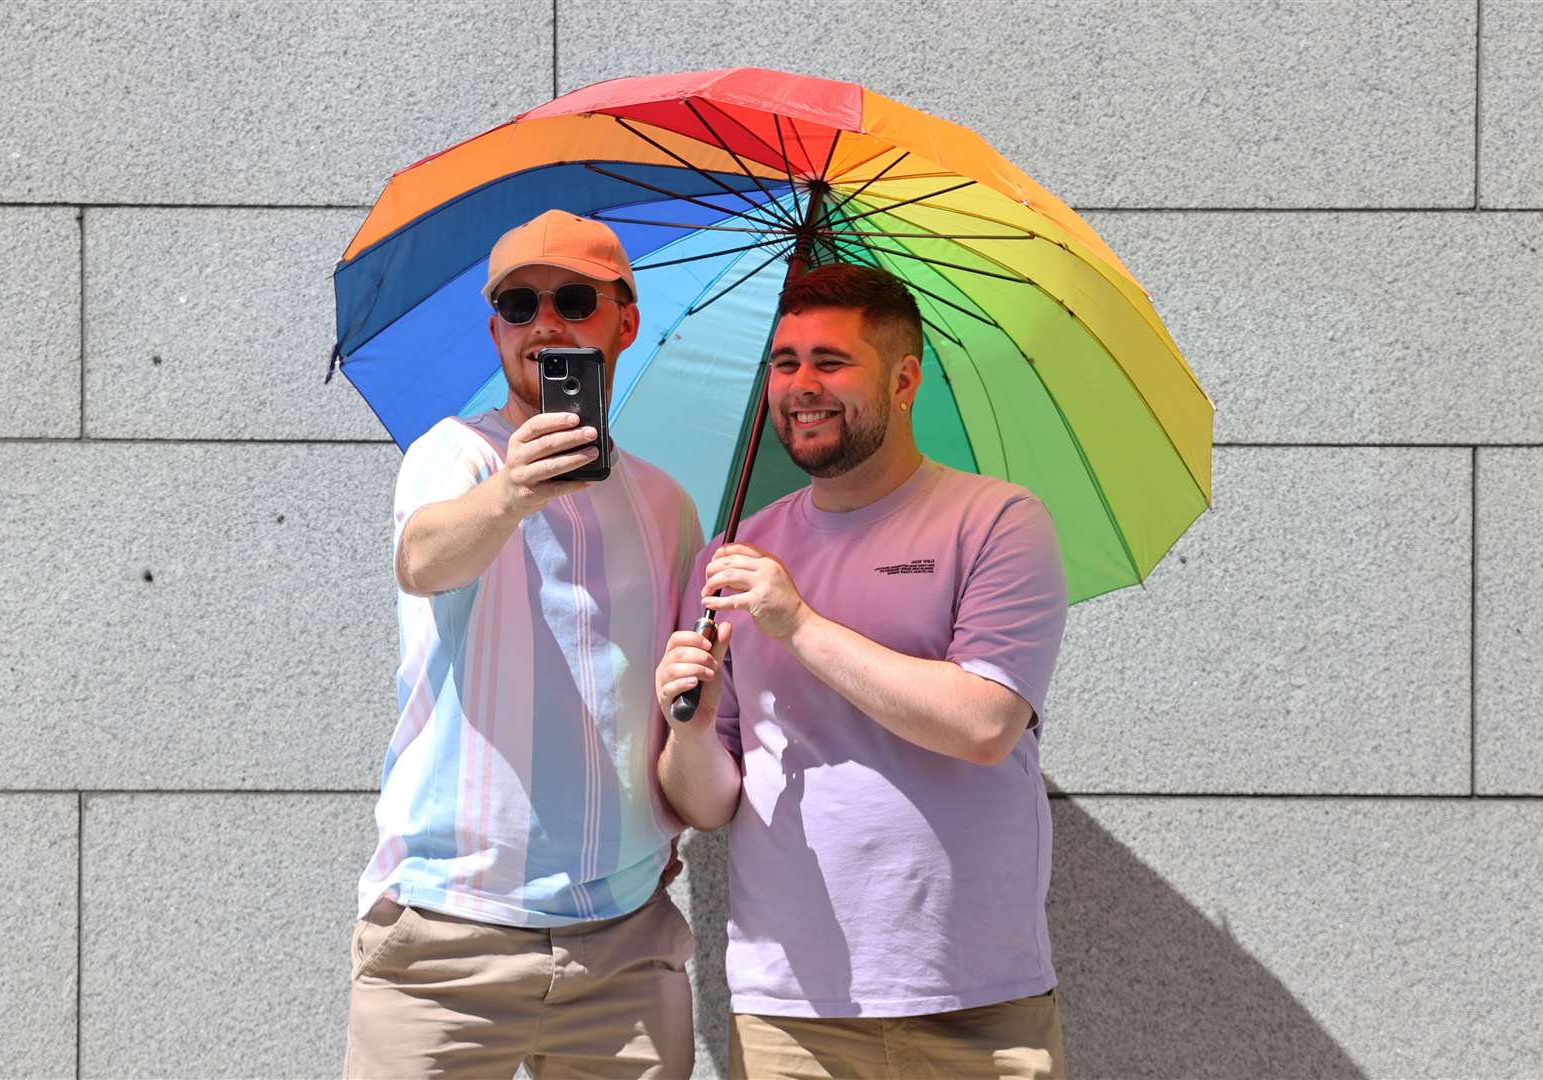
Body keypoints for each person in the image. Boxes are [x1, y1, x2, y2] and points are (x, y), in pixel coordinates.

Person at [656, 263, 1071, 1079]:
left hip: (974, 999)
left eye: (831, 361)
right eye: (784, 362)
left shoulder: (994, 522)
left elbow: (984, 725)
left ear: (905, 378)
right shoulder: (736, 553)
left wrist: (798, 623)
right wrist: (692, 725)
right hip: (789, 1008)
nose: (801, 385)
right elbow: (706, 803)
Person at [346, 209, 703, 1079]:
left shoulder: (665, 503)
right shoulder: (457, 456)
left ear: (625, 320)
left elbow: (669, 699)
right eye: (518, 304)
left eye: (574, 299)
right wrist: (512, 493)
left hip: (624, 944)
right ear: (496, 327)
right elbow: (424, 559)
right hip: (446, 936)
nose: (545, 323)